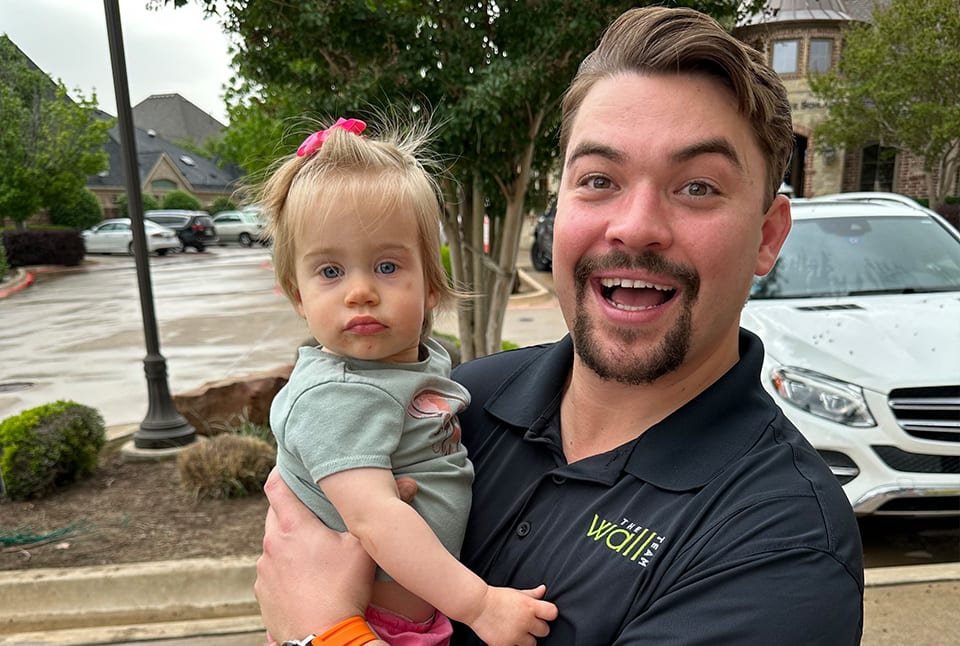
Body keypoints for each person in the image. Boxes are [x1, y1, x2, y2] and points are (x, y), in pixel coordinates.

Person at [255, 6, 865, 645]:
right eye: (599, 179)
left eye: (697, 188)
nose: (635, 225)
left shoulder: (777, 546)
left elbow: (311, 598)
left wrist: (322, 633)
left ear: (767, 237)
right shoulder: (469, 401)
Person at [258, 117, 557, 646]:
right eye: (330, 271)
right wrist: (480, 604)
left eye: (388, 266)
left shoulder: (410, 368)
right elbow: (373, 517)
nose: (360, 292)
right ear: (297, 293)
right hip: (376, 625)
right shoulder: (338, 395)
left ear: (432, 285)